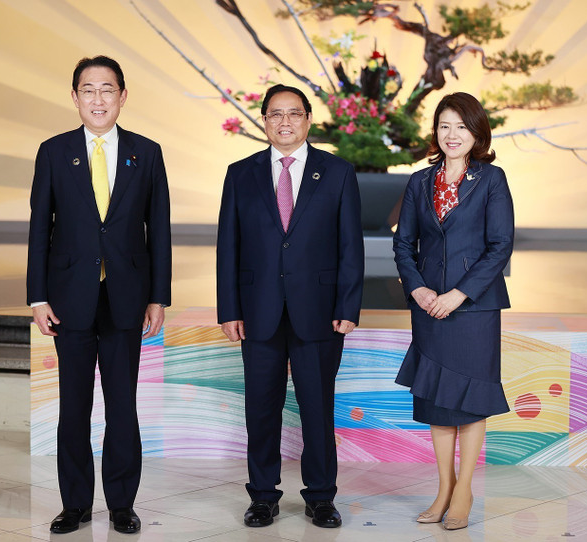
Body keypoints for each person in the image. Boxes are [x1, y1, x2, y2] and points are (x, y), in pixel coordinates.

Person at [27, 55, 171, 535]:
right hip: (69, 298)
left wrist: (159, 296)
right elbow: (38, 229)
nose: (98, 99)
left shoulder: (146, 153)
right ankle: (75, 505)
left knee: (122, 406)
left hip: (127, 296)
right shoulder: (54, 151)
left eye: (107, 89)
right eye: (88, 89)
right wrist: (37, 297)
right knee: (73, 406)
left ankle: (122, 504)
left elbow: (160, 231)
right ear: (74, 97)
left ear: (123, 96)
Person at [216, 84, 364, 529]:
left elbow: (349, 246)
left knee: (318, 407)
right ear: (264, 121)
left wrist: (348, 305)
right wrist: (229, 309)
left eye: (294, 114)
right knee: (260, 408)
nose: (285, 122)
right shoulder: (239, 174)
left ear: (308, 120)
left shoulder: (337, 172)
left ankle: (321, 497)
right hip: (257, 309)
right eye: (275, 114)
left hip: (319, 310)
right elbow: (228, 246)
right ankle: (263, 496)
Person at [393, 92, 513, 530]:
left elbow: (500, 246)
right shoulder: (419, 182)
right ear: (435, 132)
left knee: (470, 399)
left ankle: (463, 489)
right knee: (436, 401)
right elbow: (403, 243)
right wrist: (420, 289)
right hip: (427, 306)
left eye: (461, 126)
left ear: (477, 132)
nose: (452, 134)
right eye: (445, 126)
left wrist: (459, 294)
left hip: (474, 308)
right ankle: (442, 488)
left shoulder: (492, 179)